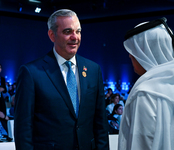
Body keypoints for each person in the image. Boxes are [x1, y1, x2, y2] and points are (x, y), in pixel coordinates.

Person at [14, 9, 109, 150]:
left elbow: (100, 122)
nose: (75, 37)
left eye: (78, 31)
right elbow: (23, 129)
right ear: (52, 35)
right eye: (67, 31)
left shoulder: (93, 70)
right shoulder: (31, 72)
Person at [118, 18, 174, 150]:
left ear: (147, 52)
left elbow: (141, 143)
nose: (130, 56)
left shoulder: (145, 93)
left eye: (135, 50)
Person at [0, 64, 9, 136]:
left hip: (1, 98)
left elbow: (5, 89)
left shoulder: (2, 79)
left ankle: (6, 133)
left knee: (3, 113)